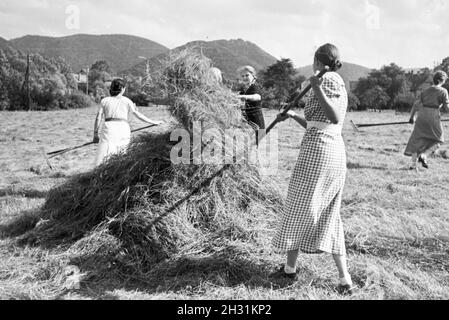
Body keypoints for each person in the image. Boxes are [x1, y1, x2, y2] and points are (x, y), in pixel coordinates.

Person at [270, 43, 355, 295]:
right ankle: (344, 279)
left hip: (318, 153)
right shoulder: (336, 80)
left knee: (298, 206)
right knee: (328, 213)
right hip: (331, 150)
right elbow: (318, 123)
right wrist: (294, 116)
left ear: (318, 61)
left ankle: (289, 270)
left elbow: (333, 117)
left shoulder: (327, 80)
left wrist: (317, 88)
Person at [93, 78, 162, 166]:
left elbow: (98, 117)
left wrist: (95, 134)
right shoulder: (127, 101)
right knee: (122, 153)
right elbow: (138, 115)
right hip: (123, 128)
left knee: (104, 154)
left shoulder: (105, 100)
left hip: (109, 129)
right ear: (122, 89)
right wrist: (153, 122)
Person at [405, 71, 449, 169]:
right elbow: (447, 108)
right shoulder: (443, 91)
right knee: (439, 140)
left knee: (417, 140)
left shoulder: (425, 91)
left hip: (422, 115)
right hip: (433, 115)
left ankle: (413, 166)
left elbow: (416, 105)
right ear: (441, 80)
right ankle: (424, 155)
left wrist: (412, 117)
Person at [237, 66, 266, 140]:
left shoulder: (254, 87)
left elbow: (257, 97)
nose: (244, 77)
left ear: (253, 76)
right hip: (248, 123)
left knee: (256, 146)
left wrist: (244, 97)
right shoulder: (243, 90)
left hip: (256, 122)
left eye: (247, 75)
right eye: (242, 76)